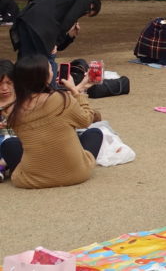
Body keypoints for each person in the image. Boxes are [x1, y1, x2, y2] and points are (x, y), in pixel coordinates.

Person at [2, 54, 103, 188]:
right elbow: (85, 120)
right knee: (95, 133)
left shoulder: (13, 111)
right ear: (45, 76)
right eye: (50, 69)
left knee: (10, 144)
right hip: (77, 174)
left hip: (31, 180)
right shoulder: (61, 99)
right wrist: (75, 91)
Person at [9, 0, 101, 62]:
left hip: (26, 18)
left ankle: (18, 81)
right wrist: (56, 42)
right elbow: (69, 20)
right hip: (39, 25)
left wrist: (70, 36)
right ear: (92, 6)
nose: (83, 14)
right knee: (38, 61)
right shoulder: (85, 0)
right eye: (87, 13)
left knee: (25, 58)